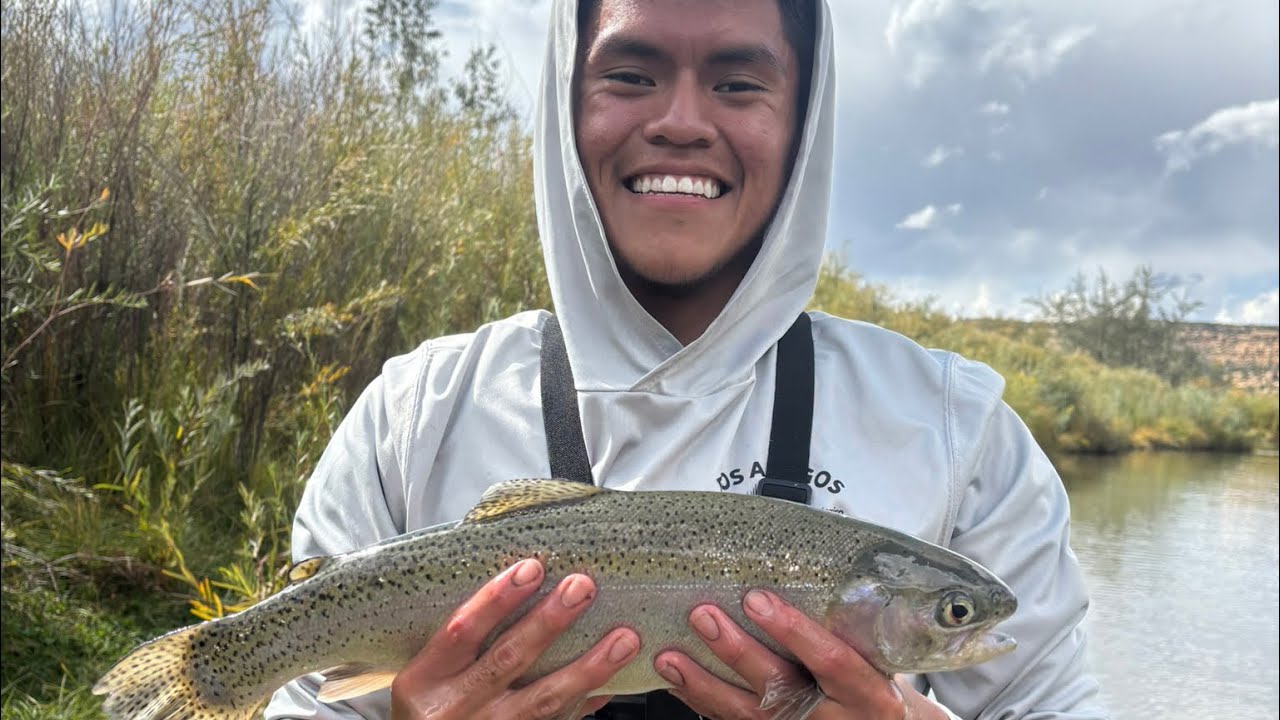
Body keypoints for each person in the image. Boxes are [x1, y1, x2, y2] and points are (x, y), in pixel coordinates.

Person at [266, 0, 1105, 718]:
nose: (681, 122)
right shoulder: (414, 415)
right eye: (631, 74)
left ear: (805, 119)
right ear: (566, 98)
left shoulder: (960, 434)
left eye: (739, 82)